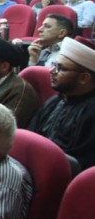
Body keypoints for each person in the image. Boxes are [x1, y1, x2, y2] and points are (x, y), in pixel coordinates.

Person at [28, 37, 95, 172]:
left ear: (84, 78)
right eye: (54, 64)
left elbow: (82, 164)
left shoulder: (91, 111)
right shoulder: (55, 101)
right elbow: (31, 138)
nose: (51, 71)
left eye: (60, 68)